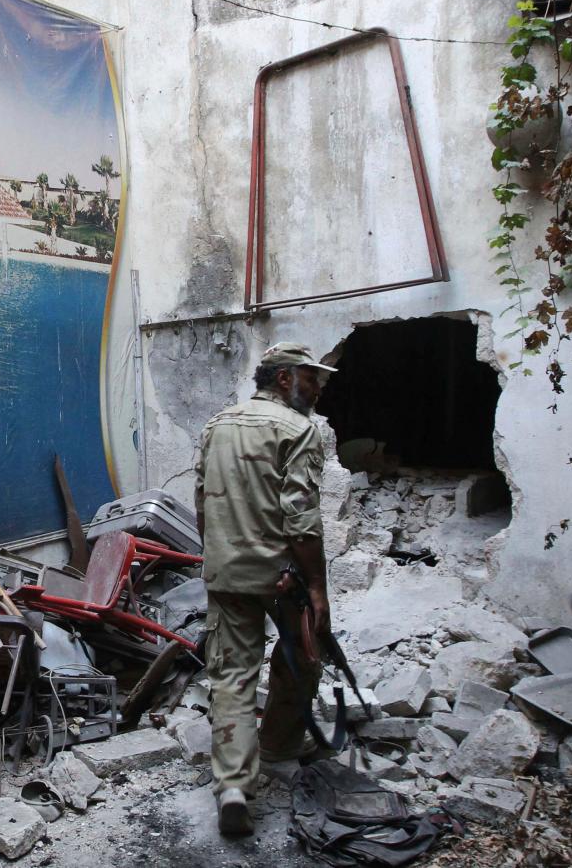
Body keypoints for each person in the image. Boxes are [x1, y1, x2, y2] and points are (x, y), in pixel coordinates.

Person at [195, 341, 337, 837]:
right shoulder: (300, 430)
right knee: (303, 651)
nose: (318, 387)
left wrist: (216, 558)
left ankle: (233, 785)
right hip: (283, 574)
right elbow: (301, 518)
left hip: (227, 570)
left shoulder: (218, 425)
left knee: (233, 672)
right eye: (311, 378)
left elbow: (201, 500)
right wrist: (317, 587)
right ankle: (278, 743)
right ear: (284, 379)